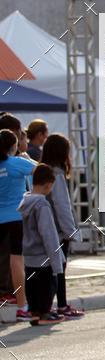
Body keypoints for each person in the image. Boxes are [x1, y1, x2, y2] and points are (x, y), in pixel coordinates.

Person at [41, 134, 84, 318]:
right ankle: (60, 306)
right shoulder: (57, 174)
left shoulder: (42, 171)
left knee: (48, 268)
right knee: (59, 268)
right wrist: (71, 231)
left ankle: (50, 305)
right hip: (58, 229)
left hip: (45, 226)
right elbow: (62, 206)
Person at [18, 164, 66, 325]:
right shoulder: (42, 204)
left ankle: (34, 313)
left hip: (29, 255)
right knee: (47, 286)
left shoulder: (25, 202)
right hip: (43, 256)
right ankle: (45, 313)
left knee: (31, 285)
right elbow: (49, 234)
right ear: (48, 185)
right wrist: (57, 261)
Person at [0, 128, 37, 320]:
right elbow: (43, 170)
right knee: (17, 261)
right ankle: (22, 307)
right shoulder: (17, 162)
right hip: (16, 217)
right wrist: (27, 158)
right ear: (14, 146)